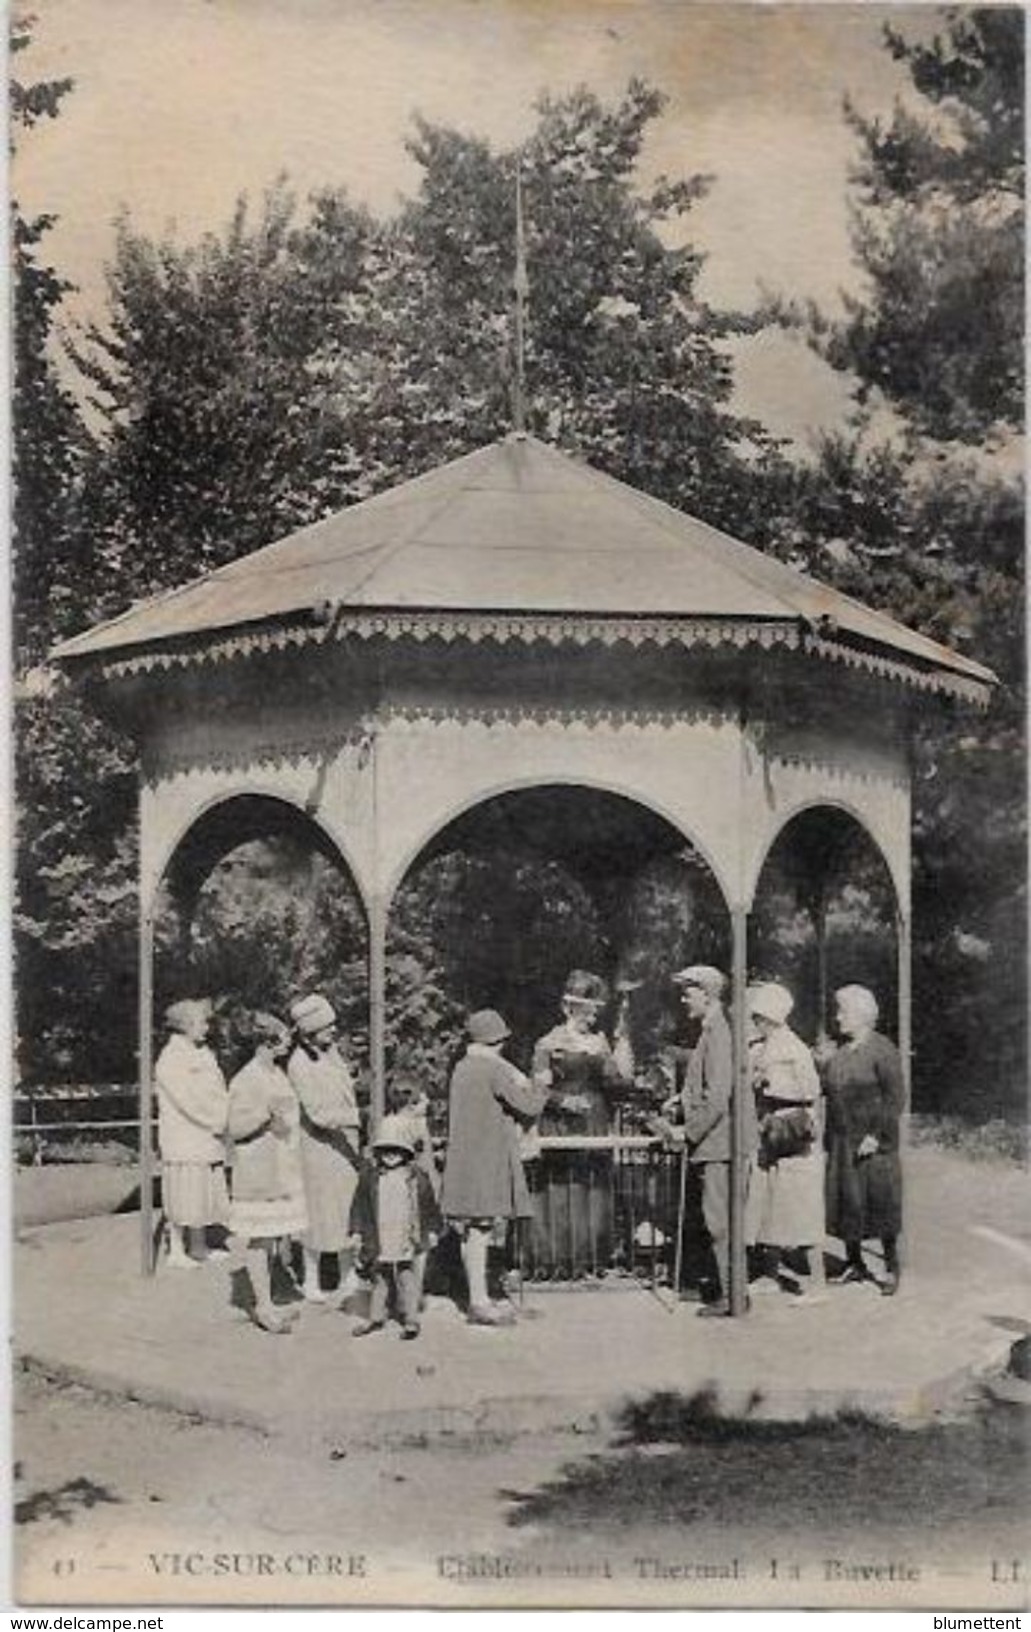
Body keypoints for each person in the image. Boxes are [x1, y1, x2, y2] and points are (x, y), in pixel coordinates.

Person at [440, 1008, 547, 1326]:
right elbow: (530, 1107)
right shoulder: (493, 1070)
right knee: (481, 1229)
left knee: (472, 1229)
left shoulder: (462, 1067)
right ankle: (479, 1302)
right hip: (486, 1158)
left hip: (465, 1158)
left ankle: (477, 1294)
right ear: (496, 1041)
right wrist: (541, 1084)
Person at [665, 965, 757, 1317]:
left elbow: (719, 1094)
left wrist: (688, 1132)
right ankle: (730, 1289)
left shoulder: (719, 1031)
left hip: (720, 1143)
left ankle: (734, 1297)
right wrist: (682, 1101)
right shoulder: (713, 1029)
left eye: (688, 991)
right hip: (718, 1141)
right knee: (719, 1218)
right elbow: (706, 1085)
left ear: (706, 992)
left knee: (719, 1221)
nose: (683, 998)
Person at [529, 970, 633, 1277]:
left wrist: (620, 1056)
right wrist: (563, 1101)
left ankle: (590, 1258)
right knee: (561, 1186)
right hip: (559, 1122)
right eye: (587, 1012)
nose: (592, 1018)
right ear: (568, 1009)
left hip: (594, 1120)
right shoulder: (547, 1044)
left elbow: (616, 1084)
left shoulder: (599, 1044)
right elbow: (537, 1089)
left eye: (596, 1012)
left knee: (593, 1186)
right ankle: (556, 1260)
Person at [225, 1011, 307, 1334]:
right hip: (259, 1170)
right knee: (259, 1238)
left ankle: (269, 1297)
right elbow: (235, 1127)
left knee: (274, 1234)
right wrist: (264, 1114)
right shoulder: (246, 1079)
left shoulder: (277, 1074)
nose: (287, 1045)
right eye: (282, 1040)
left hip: (281, 1166)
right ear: (265, 1043)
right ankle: (262, 1305)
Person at [822, 984, 904, 1296]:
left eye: (843, 1011)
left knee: (881, 1202)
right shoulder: (841, 1054)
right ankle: (854, 1263)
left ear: (860, 1015)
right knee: (847, 1202)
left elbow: (896, 1098)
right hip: (843, 1141)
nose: (838, 1017)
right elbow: (828, 1091)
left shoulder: (883, 1050)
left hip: (874, 1143)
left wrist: (876, 1135)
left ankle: (891, 1266)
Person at [747, 982, 826, 1305]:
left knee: (801, 1209)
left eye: (759, 1016)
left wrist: (768, 1083)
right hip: (769, 1133)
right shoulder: (760, 1047)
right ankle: (769, 1272)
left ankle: (818, 1284)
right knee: (768, 1204)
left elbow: (809, 1091)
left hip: (791, 1135)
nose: (755, 1022)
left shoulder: (795, 1049)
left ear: (771, 1017)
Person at [287, 993, 362, 1305]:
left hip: (343, 1148)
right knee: (317, 1210)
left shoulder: (333, 1056)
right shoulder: (299, 1063)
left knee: (345, 1208)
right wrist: (355, 1119)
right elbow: (317, 1113)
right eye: (327, 1027)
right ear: (309, 1032)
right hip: (317, 1148)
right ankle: (311, 1278)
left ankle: (348, 1275)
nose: (333, 1032)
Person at [349, 1113, 443, 1340]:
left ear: (407, 1152)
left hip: (404, 1234)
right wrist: (356, 1231)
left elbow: (429, 1205)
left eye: (397, 1150)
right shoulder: (370, 1178)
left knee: (406, 1275)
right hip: (380, 1235)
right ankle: (375, 1317)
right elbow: (359, 1204)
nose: (391, 1156)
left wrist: (431, 1230)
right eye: (385, 1150)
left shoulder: (416, 1178)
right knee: (378, 1278)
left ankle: (410, 1318)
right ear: (378, 1152)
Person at [155, 997, 230, 1269]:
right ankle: (176, 1248)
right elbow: (187, 1099)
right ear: (185, 1025)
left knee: (201, 1191)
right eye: (201, 1022)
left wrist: (221, 1115)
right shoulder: (170, 1058)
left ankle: (198, 1245)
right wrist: (214, 1118)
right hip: (185, 1136)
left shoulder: (203, 1053)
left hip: (206, 1135)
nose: (206, 1027)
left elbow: (216, 1089)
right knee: (181, 1191)